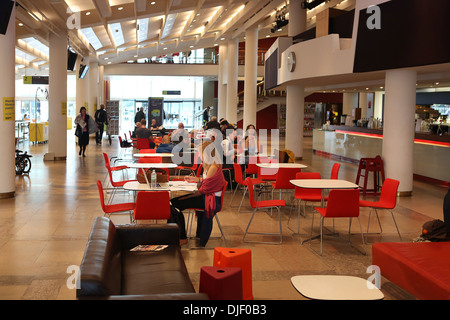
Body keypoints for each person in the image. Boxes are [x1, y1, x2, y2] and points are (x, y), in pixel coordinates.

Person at [169, 141, 226, 247]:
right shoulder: (210, 165)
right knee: (173, 204)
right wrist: (195, 179)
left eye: (201, 153)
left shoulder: (213, 167)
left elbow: (204, 189)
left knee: (173, 204)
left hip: (209, 199)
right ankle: (181, 236)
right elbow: (206, 181)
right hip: (207, 196)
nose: (199, 155)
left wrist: (187, 193)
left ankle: (181, 237)